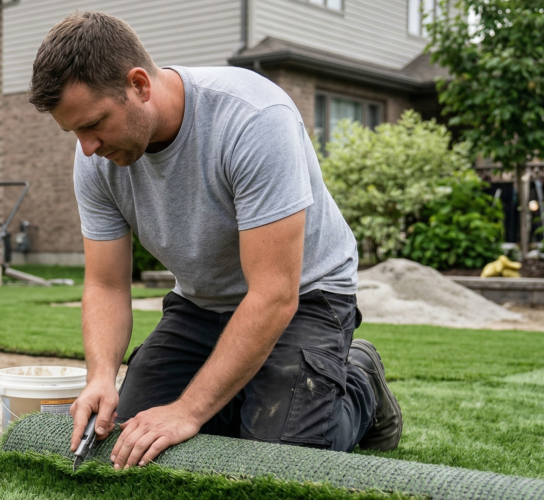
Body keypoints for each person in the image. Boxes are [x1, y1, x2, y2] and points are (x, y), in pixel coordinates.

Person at [25, 12, 403, 470]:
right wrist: (101, 377)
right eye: (75, 132)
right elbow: (105, 284)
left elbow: (273, 294)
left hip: (304, 296)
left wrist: (188, 411)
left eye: (95, 124)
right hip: (203, 303)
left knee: (275, 462)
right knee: (128, 434)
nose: (87, 147)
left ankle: (360, 381)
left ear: (140, 85)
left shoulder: (253, 119)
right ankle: (243, 388)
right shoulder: (94, 158)